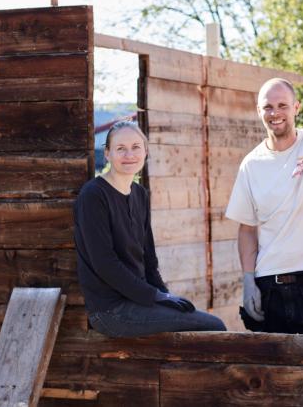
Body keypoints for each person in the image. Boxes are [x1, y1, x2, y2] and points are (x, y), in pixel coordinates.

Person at [74, 120, 226, 337]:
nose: (129, 155)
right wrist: (154, 296)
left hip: (140, 303)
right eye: (120, 149)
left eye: (136, 147)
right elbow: (104, 264)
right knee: (214, 326)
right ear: (107, 154)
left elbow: (148, 259)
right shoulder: (94, 195)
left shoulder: (140, 195)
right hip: (110, 310)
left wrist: (165, 296)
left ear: (145, 151)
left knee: (197, 318)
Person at [226, 78, 303, 334]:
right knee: (274, 373)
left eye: (282, 105)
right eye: (268, 107)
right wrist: (248, 280)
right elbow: (247, 229)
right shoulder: (251, 164)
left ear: (296, 107)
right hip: (271, 288)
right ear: (259, 111)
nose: (275, 113)